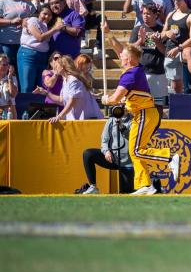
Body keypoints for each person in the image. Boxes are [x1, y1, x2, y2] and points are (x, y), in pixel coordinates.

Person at [103, 43, 179, 195]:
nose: (120, 57)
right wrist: (110, 35)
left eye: (123, 56)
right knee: (134, 151)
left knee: (137, 150)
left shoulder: (130, 74)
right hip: (143, 114)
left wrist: (106, 99)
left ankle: (169, 158)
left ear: (129, 59)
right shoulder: (135, 71)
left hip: (145, 113)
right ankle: (145, 184)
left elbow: (115, 98)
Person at [77, 111, 134, 194]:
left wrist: (121, 126)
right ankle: (93, 186)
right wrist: (106, 151)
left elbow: (133, 137)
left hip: (127, 162)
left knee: (125, 193)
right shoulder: (111, 120)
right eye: (120, 102)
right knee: (88, 154)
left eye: (125, 102)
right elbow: (104, 140)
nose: (122, 105)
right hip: (112, 158)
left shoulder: (134, 120)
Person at [42, 54, 104, 122]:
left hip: (89, 119)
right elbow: (61, 100)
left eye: (56, 66)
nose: (55, 69)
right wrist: (46, 93)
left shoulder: (73, 80)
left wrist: (59, 116)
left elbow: (72, 101)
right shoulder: (65, 80)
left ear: (62, 67)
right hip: (79, 120)